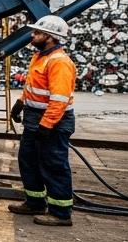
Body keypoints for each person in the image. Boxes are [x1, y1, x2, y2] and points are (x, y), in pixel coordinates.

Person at [7, 15, 77, 227]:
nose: (32, 35)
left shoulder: (59, 62)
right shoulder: (40, 57)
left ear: (50, 37)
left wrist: (46, 126)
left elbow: (59, 99)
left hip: (53, 121)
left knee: (53, 164)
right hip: (34, 117)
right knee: (28, 160)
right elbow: (34, 87)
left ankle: (61, 212)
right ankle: (35, 202)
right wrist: (20, 103)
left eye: (37, 33)